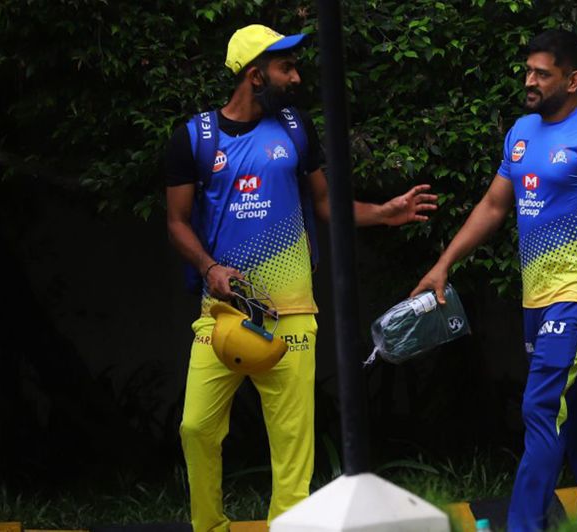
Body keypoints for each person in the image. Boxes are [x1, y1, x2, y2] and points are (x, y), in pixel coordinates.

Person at [165, 24, 438, 532]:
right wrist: (209, 268)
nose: (295, 76)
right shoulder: (195, 138)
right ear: (255, 75)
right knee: (195, 427)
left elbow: (324, 201)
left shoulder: (295, 127)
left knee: (293, 448)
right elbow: (177, 222)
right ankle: (210, 526)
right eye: (285, 67)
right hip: (221, 314)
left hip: (291, 313)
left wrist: (384, 211)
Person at [411, 30, 577, 531]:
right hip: (537, 297)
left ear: (573, 79)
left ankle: (523, 525)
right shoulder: (521, 131)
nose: (530, 81)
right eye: (528, 71)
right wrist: (443, 263)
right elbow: (494, 205)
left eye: (542, 73)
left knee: (542, 406)